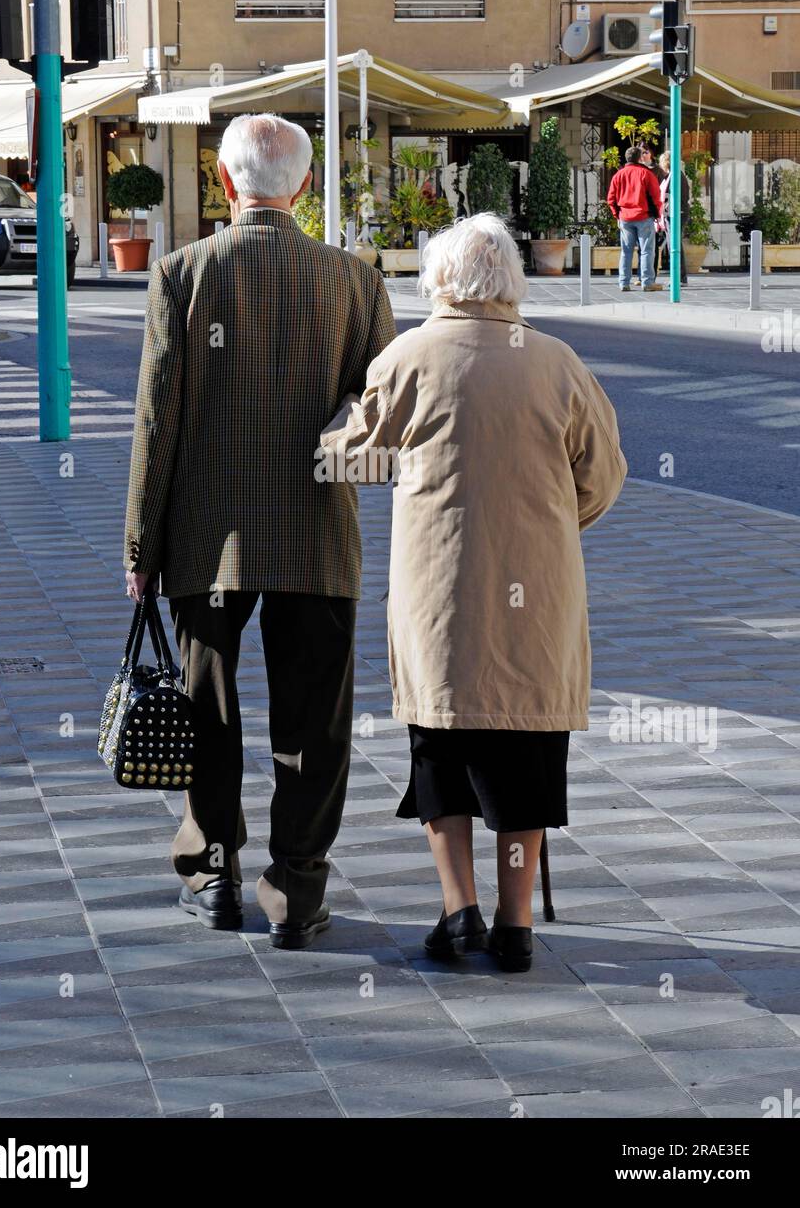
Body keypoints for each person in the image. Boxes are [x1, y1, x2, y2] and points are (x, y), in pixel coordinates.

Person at [319, 214, 626, 972]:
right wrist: (552, 524)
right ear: (510, 282)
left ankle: (457, 913)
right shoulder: (556, 362)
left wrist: (330, 426)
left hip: (440, 593)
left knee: (441, 747)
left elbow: (350, 463)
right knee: (525, 752)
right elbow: (604, 475)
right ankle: (514, 924)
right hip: (538, 593)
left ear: (439, 282)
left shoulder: (409, 356)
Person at [124, 113, 396, 949]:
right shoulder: (355, 281)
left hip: (207, 538)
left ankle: (214, 875)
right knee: (314, 721)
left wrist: (142, 544)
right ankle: (298, 888)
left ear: (222, 179)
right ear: (303, 187)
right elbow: (380, 417)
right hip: (317, 534)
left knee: (206, 709)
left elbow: (155, 423)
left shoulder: (180, 273)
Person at [606, 146, 663, 293]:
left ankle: (624, 282)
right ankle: (647, 282)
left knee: (626, 251)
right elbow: (656, 197)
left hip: (625, 216)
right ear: (640, 158)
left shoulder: (618, 175)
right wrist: (657, 214)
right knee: (647, 251)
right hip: (644, 216)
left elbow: (611, 199)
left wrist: (617, 215)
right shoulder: (647, 173)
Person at [658, 151, 690, 286]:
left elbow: (681, 197)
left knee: (674, 245)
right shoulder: (673, 175)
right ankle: (679, 276)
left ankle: (680, 277)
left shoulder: (676, 175)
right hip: (671, 213)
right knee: (674, 245)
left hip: (676, 213)